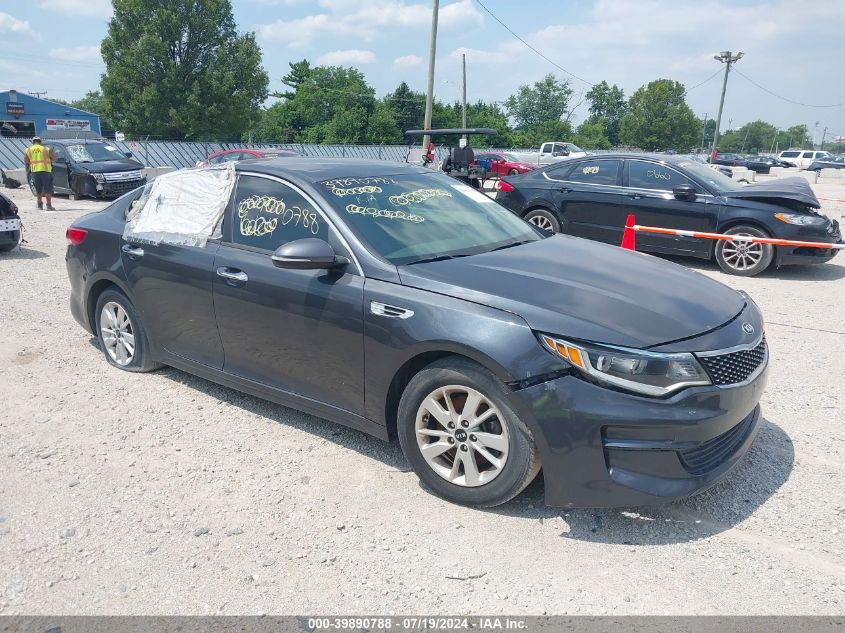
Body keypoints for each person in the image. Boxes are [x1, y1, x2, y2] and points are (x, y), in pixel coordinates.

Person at [23, 136, 57, 210]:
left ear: (33, 142)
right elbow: (54, 158)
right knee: (48, 189)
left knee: (38, 189)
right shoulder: (46, 149)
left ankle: (39, 205)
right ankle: (49, 206)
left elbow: (26, 160)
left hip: (35, 171)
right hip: (46, 171)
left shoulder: (28, 150)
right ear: (40, 142)